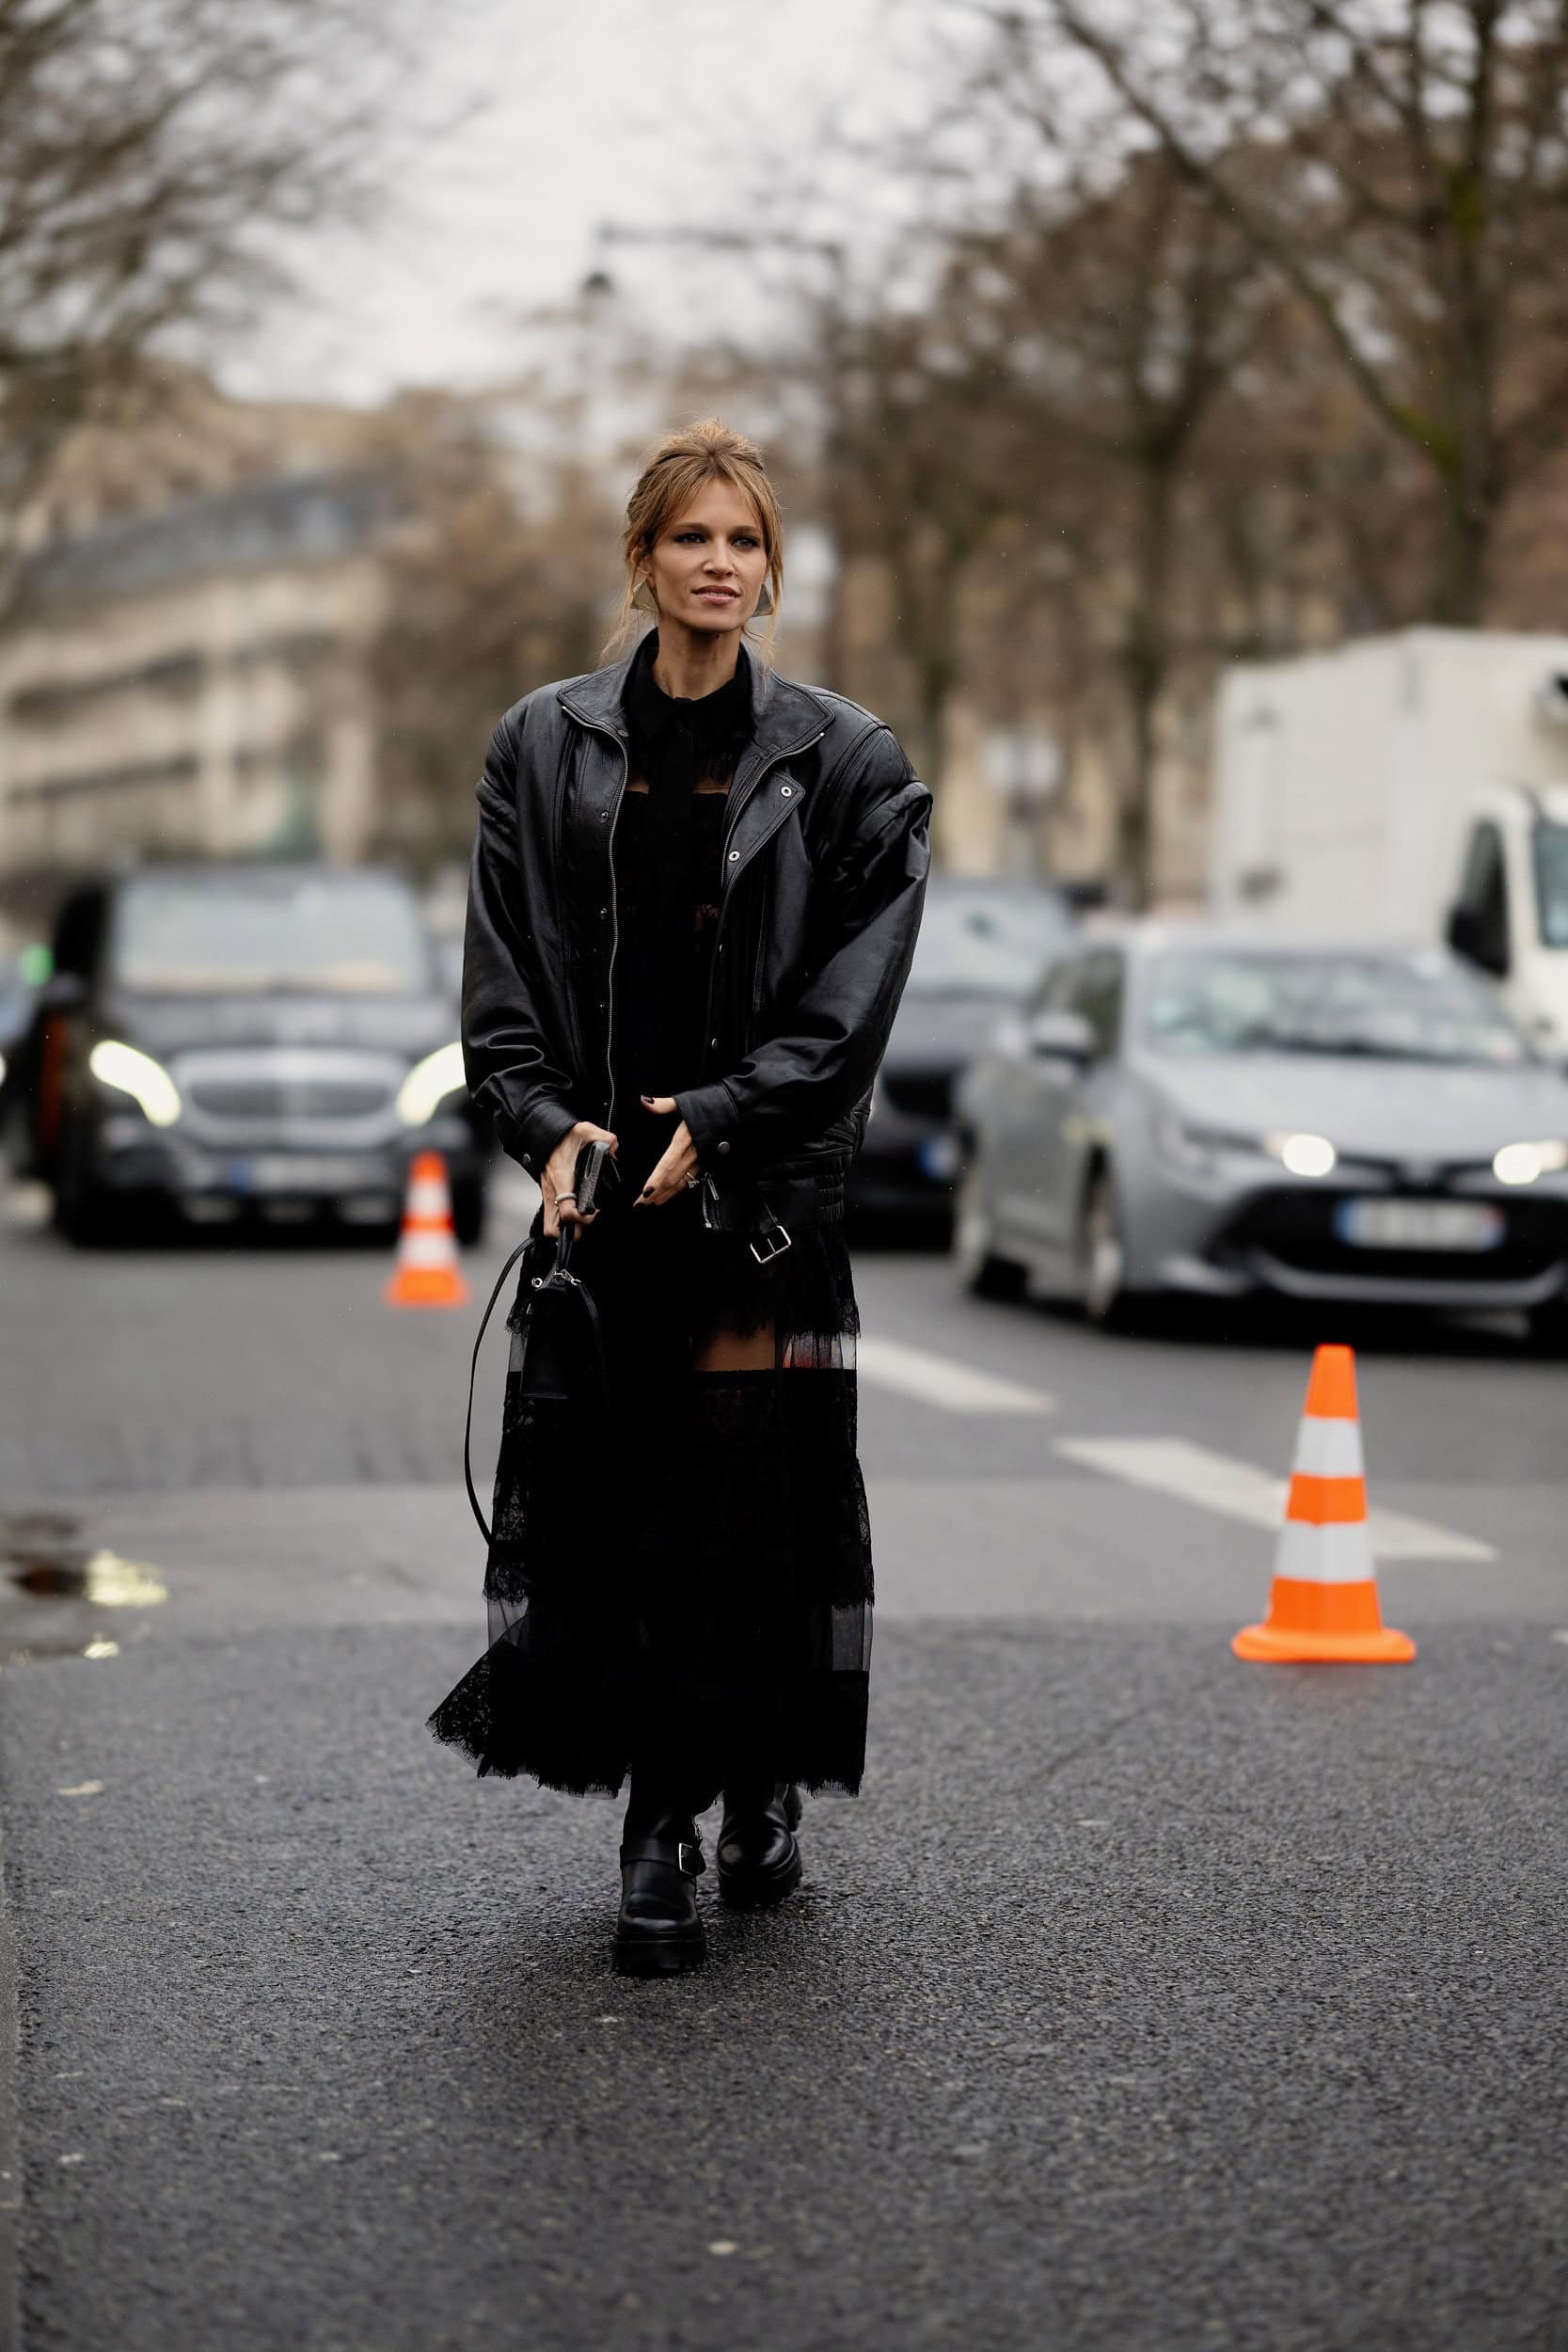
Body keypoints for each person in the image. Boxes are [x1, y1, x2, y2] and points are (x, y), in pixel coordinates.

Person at [426, 418, 932, 1976]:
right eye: (692, 539)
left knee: (739, 1512)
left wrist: (723, 1114)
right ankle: (731, 1784)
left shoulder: (849, 762)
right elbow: (504, 968)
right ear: (642, 561)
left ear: (773, 572)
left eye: (746, 543)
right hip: (607, 1213)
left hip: (762, 1210)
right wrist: (538, 1120)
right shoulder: (543, 741)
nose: (721, 565)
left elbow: (854, 1005)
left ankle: (675, 1829)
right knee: (623, 1508)